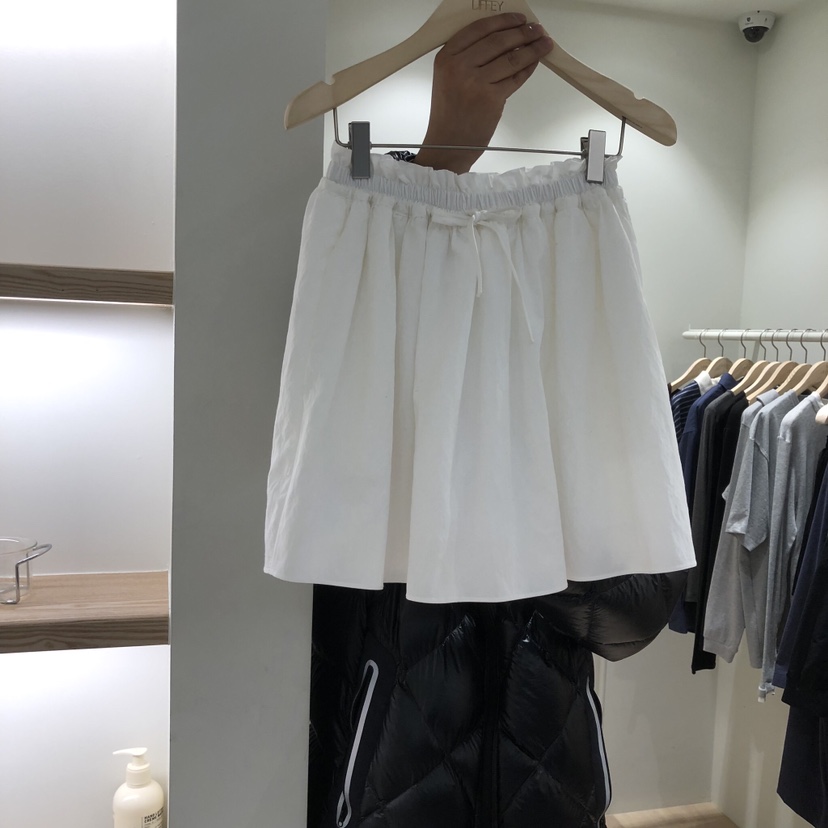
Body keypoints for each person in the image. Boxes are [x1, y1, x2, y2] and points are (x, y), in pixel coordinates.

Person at [305, 14, 689, 828]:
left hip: (550, 758)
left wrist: (521, 515)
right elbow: (325, 562)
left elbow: (638, 606)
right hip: (396, 753)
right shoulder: (379, 310)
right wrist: (440, 153)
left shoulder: (586, 339)